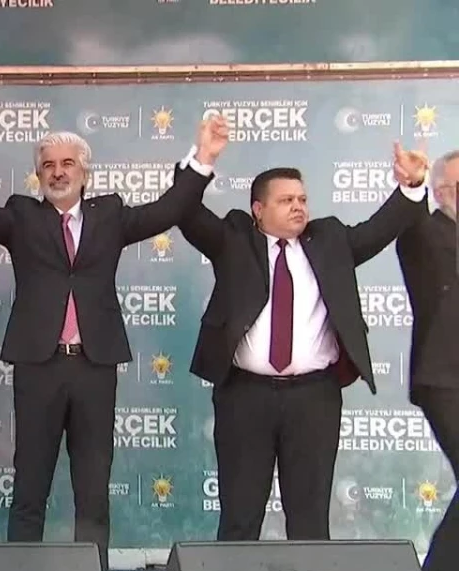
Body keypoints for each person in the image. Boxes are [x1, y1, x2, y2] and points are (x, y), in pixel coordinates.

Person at [0, 114, 225, 571]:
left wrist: (203, 157)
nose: (58, 171)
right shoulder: (22, 216)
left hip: (95, 368)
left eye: (67, 163)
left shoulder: (110, 215)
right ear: (38, 174)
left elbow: (171, 208)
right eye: (48, 164)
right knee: (29, 487)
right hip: (39, 367)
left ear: (84, 172)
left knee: (92, 491)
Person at [181, 143, 428, 543]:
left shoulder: (329, 240)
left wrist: (412, 185)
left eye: (302, 199)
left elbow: (380, 229)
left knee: (310, 519)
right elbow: (187, 212)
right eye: (285, 201)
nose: (298, 207)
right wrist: (202, 160)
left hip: (314, 398)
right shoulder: (234, 239)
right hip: (245, 397)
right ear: (258, 210)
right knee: (240, 514)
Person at [395, 149, 459, 571]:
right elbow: (409, 226)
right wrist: (412, 187)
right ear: (441, 192)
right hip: (446, 380)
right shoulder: (427, 235)